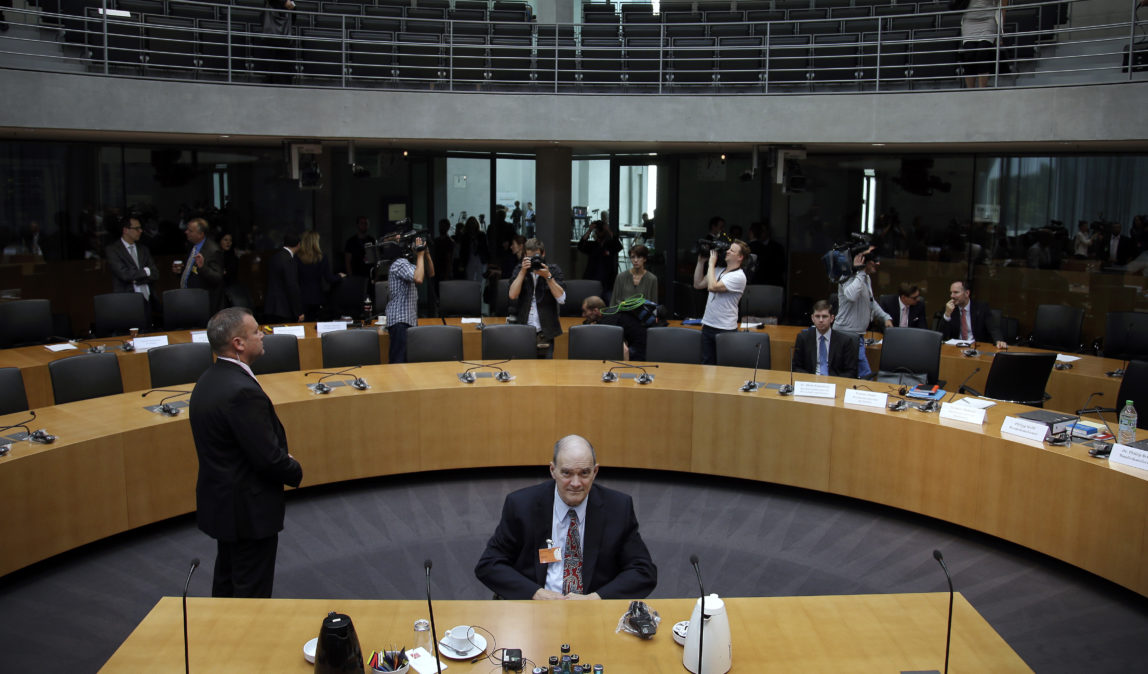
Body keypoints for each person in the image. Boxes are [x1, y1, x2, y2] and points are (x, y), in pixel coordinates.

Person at [189, 307, 303, 598]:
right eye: (255, 331)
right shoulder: (241, 392)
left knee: (227, 582)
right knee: (251, 592)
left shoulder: (209, 379)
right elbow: (266, 457)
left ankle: (224, 640)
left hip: (224, 503)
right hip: (248, 510)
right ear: (238, 343)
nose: (262, 335)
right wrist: (293, 468)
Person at [474, 435, 657, 600]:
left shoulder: (618, 508)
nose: (576, 483)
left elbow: (643, 572)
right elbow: (489, 564)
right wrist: (536, 593)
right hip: (535, 607)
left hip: (591, 609)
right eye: (567, 473)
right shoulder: (522, 505)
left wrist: (596, 598)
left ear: (595, 472)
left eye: (584, 473)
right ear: (553, 470)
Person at [834, 245, 892, 378]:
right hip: (845, 334)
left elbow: (870, 301)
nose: (877, 263)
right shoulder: (846, 276)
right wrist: (860, 271)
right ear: (862, 260)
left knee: (857, 375)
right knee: (865, 376)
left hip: (857, 335)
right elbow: (851, 296)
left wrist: (885, 317)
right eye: (873, 260)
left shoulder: (866, 278)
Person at [693, 239, 749, 365]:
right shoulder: (718, 270)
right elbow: (698, 284)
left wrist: (711, 264)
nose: (727, 251)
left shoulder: (739, 276)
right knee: (706, 365)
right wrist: (701, 262)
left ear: (740, 257)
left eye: (732, 250)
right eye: (728, 249)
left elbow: (713, 287)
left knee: (724, 366)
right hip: (708, 325)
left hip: (725, 328)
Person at [509, 238, 567, 358]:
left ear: (543, 254)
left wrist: (548, 277)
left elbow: (561, 299)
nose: (534, 261)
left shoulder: (553, 270)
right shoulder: (519, 269)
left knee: (546, 372)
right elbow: (512, 295)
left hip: (546, 331)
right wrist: (522, 272)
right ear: (525, 255)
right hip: (523, 330)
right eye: (530, 258)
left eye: (536, 257)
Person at [105, 214, 158, 315]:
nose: (140, 231)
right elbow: (124, 275)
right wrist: (146, 272)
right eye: (137, 228)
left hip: (148, 299)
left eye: (140, 228)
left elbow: (155, 273)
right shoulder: (113, 250)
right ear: (125, 230)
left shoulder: (143, 249)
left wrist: (136, 278)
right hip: (127, 300)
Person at [385, 235, 427, 363]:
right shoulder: (399, 263)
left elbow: (430, 273)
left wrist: (426, 254)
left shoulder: (406, 264)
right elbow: (419, 279)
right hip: (400, 322)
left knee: (405, 363)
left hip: (406, 321)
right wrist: (420, 255)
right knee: (399, 363)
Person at [792, 300, 859, 378]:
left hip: (835, 382)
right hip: (810, 382)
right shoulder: (803, 338)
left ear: (832, 318)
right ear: (812, 318)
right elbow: (796, 367)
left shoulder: (845, 341)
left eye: (824, 316)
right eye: (817, 316)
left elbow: (851, 371)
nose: (820, 320)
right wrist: (811, 379)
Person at [940, 280, 1008, 349]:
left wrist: (999, 341)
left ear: (967, 293)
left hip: (977, 348)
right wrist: (947, 315)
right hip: (956, 348)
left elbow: (993, 329)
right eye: (951, 292)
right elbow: (941, 336)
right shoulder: (949, 309)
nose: (952, 296)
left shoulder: (982, 308)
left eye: (956, 292)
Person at [178, 217, 225, 314]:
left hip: (204, 302)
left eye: (190, 231)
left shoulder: (213, 250)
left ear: (201, 234)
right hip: (190, 297)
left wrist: (203, 267)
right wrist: (180, 271)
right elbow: (192, 272)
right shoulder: (192, 245)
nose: (186, 232)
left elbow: (217, 277)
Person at [582, 295, 649, 362]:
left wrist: (626, 369)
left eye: (585, 311)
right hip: (643, 342)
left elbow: (625, 350)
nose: (583, 315)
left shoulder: (608, 321)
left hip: (641, 350)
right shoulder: (609, 312)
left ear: (595, 311)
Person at [296, 230, 345, 321]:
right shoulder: (321, 257)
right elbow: (329, 278)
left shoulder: (297, 257)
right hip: (317, 297)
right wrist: (339, 276)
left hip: (301, 297)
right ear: (315, 242)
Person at [959, 0, 1008, 89]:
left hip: (988, 20)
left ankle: (982, 89)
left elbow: (1003, 8)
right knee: (969, 55)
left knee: (982, 52)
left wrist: (1000, 32)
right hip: (969, 21)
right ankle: (970, 90)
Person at [578, 220, 623, 302]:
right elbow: (581, 246)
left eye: (601, 230)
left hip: (607, 282)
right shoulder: (592, 246)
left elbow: (619, 246)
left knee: (609, 303)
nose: (599, 232)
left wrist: (608, 230)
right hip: (592, 280)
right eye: (598, 231)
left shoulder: (610, 245)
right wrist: (589, 230)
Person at [264, 233, 303, 324]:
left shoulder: (275, 257)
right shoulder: (289, 260)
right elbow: (292, 286)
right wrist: (298, 312)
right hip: (284, 309)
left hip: (271, 306)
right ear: (298, 245)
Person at [748, 222, 786, 287]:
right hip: (757, 284)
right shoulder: (756, 246)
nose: (761, 233)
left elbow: (780, 267)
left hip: (772, 283)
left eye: (763, 231)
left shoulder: (776, 247)